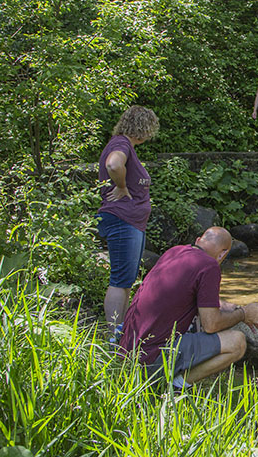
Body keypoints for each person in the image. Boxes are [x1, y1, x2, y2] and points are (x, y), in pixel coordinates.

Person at [119, 227, 258, 390]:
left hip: (128, 353)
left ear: (198, 240)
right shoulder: (209, 266)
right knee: (237, 342)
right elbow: (211, 324)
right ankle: (175, 387)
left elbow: (197, 299)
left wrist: (235, 307)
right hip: (150, 360)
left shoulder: (174, 252)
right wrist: (243, 314)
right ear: (222, 254)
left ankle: (170, 378)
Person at [97, 106, 160, 341]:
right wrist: (122, 187)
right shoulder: (121, 144)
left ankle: (121, 331)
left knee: (125, 280)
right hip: (123, 219)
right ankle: (114, 337)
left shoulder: (125, 144)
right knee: (120, 280)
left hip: (130, 221)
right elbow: (114, 165)